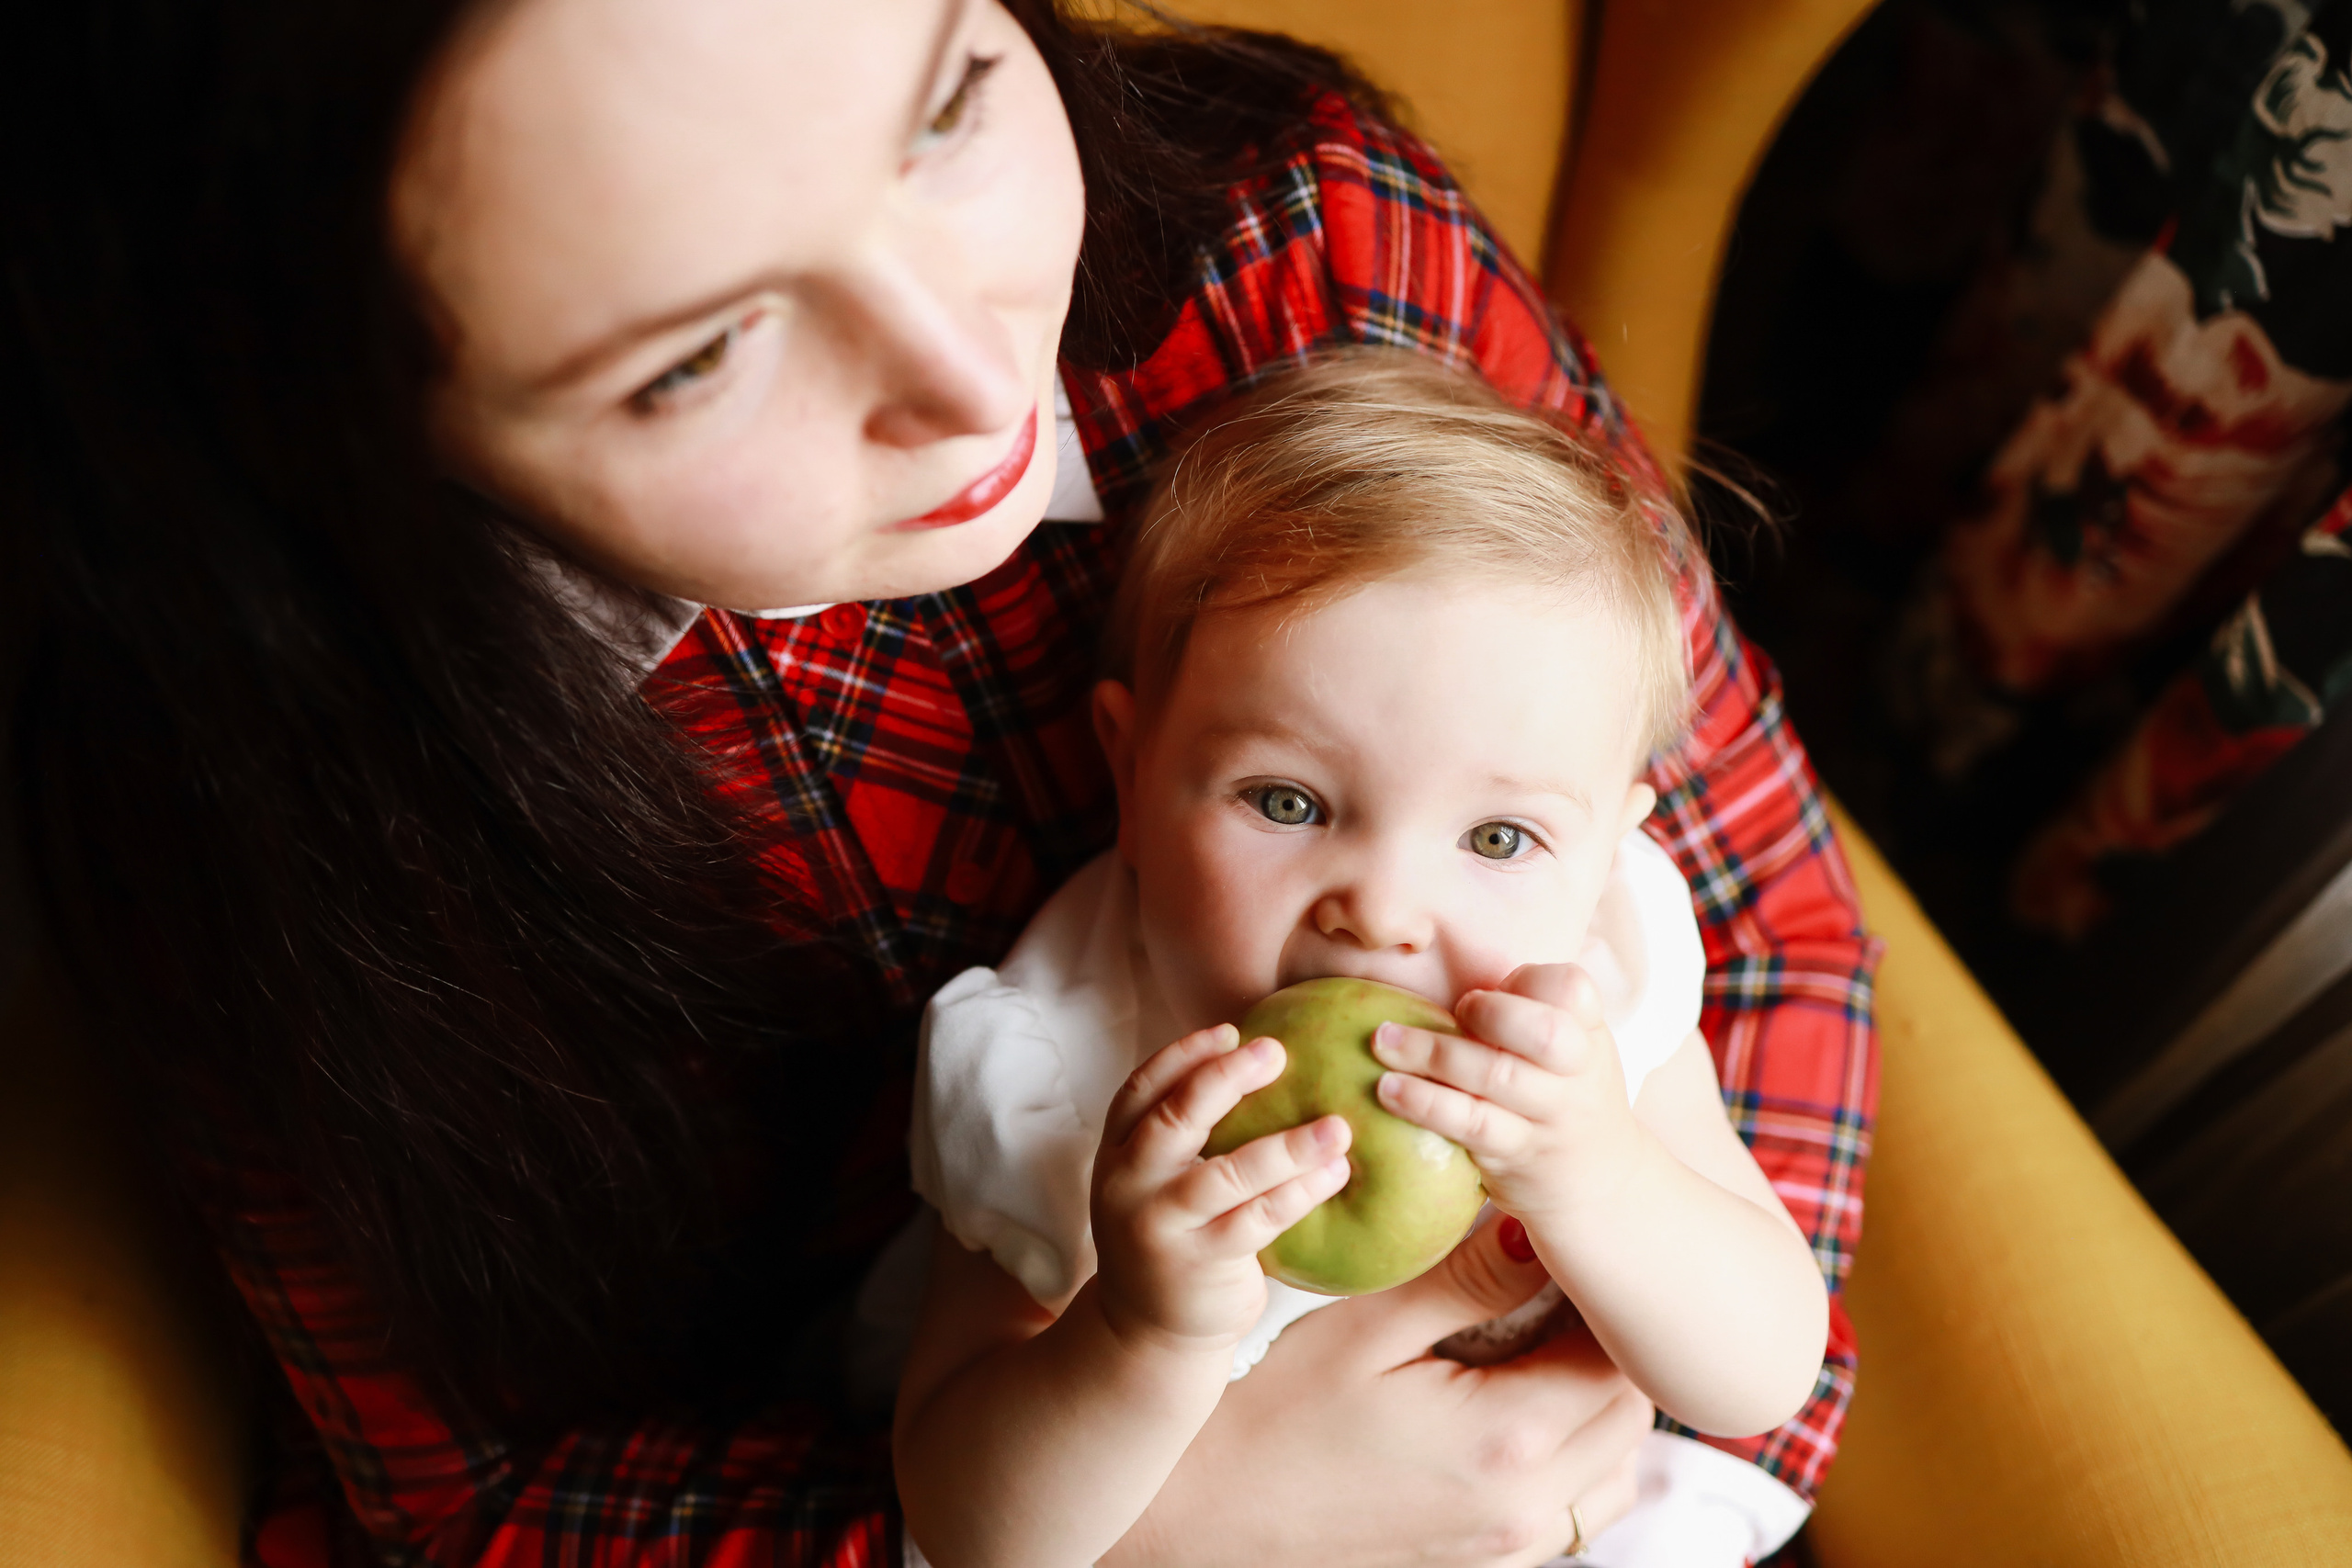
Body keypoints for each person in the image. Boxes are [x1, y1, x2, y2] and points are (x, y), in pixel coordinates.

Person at [0, 2, 1878, 1563]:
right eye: (697, 358)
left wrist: (1621, 1406)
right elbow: (477, 1497)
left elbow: (1770, 942)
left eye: (951, 107)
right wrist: (1182, 1509)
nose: (980, 379)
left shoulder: (1308, 264)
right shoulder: (1039, 1064)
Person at [892, 353, 1829, 1568]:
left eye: (1498, 838)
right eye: (1286, 802)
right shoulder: (1051, 1064)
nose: (1380, 912)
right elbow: (970, 1529)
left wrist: (1600, 1180)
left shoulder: (1587, 1013)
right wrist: (1137, 1334)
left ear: (1604, 859)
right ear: (1132, 778)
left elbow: (1762, 1374)